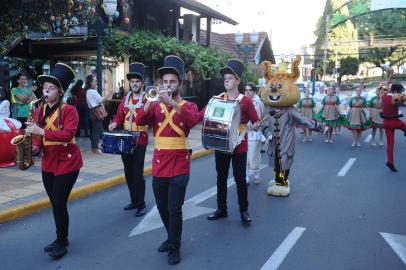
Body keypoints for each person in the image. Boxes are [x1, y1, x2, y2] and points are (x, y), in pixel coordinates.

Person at [135, 55, 200, 265]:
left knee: (174, 208)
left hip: (180, 162)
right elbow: (139, 121)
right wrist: (147, 101)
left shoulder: (188, 105)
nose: (168, 85)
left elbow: (193, 120)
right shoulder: (154, 104)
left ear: (179, 83)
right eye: (165, 82)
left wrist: (172, 102)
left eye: (172, 81)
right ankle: (171, 237)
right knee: (162, 207)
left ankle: (175, 246)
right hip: (159, 162)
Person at [26, 63, 82, 259]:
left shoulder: (70, 110)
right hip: (49, 162)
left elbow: (67, 134)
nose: (46, 90)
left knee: (59, 202)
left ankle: (61, 241)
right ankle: (62, 238)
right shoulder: (38, 109)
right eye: (45, 87)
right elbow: (37, 137)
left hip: (68, 162)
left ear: (60, 91)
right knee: (56, 204)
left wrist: (40, 131)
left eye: (51, 87)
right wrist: (35, 147)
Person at [203, 59, 260, 225]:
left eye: (230, 77)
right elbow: (207, 116)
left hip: (239, 146)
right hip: (221, 144)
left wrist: (255, 126)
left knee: (240, 179)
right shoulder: (218, 99)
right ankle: (222, 209)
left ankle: (244, 210)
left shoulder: (246, 101)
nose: (226, 80)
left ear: (238, 81)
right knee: (220, 178)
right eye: (225, 77)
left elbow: (255, 121)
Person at [109, 63, 148, 216]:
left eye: (137, 81)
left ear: (142, 83)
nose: (134, 84)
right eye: (132, 82)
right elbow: (118, 117)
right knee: (128, 172)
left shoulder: (147, 99)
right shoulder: (126, 99)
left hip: (140, 140)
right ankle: (133, 200)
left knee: (137, 173)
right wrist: (114, 123)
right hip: (125, 139)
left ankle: (141, 204)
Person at [244, 82, 266, 184]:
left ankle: (256, 174)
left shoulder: (259, 103)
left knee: (254, 155)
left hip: (255, 133)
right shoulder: (241, 102)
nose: (248, 92)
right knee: (244, 155)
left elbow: (264, 118)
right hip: (243, 133)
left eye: (250, 90)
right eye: (246, 90)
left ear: (254, 91)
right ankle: (246, 176)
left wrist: (257, 125)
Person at [381, 83, 406, 172]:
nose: (400, 93)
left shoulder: (384, 96)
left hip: (386, 123)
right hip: (394, 122)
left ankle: (390, 161)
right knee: (404, 126)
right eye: (399, 91)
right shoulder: (395, 98)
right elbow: (399, 103)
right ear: (395, 91)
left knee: (390, 143)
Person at [85, 75, 104, 154]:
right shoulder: (92, 91)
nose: (96, 82)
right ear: (91, 82)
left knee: (96, 129)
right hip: (95, 111)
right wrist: (109, 94)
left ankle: (95, 146)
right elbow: (101, 100)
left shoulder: (89, 91)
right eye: (95, 81)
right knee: (97, 130)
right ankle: (94, 148)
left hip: (93, 111)